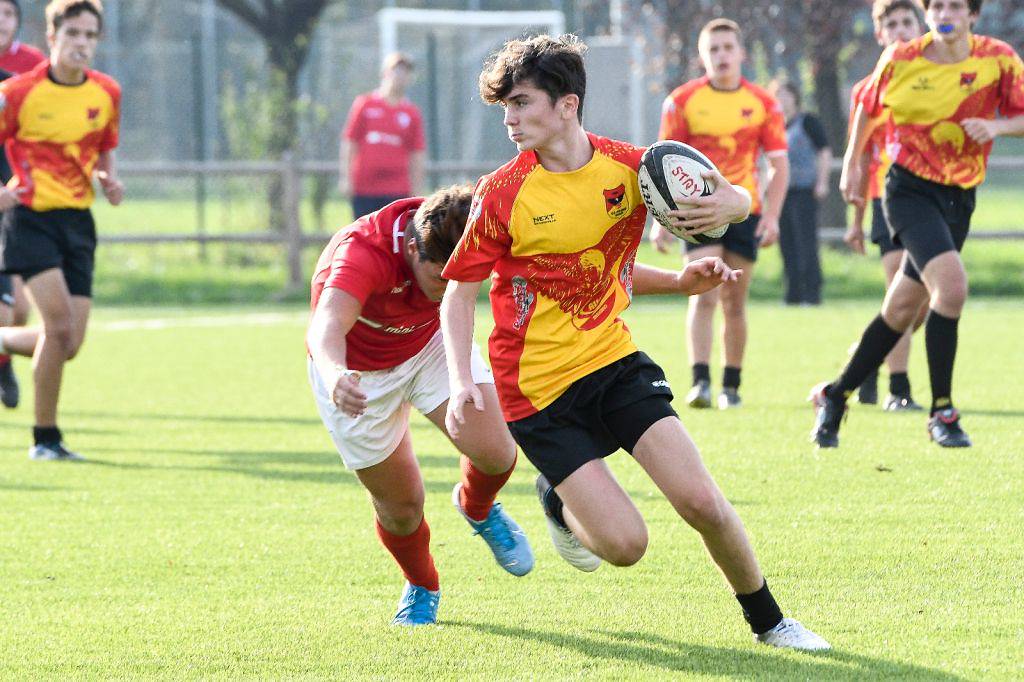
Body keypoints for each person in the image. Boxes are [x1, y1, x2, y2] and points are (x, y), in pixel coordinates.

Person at [441, 34, 829, 650]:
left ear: (567, 104)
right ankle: (558, 500)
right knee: (626, 547)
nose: (510, 120)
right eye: (504, 109)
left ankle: (772, 622)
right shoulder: (502, 192)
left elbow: (729, 202)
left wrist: (697, 255)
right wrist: (463, 380)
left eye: (521, 103)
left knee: (701, 500)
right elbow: (458, 293)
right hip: (535, 391)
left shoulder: (635, 169)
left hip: (613, 360)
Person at [306, 185, 535, 626]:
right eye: (441, 280)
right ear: (412, 249)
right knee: (402, 509)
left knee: (497, 451)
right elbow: (327, 326)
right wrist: (336, 376)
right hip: (356, 376)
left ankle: (477, 507)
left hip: (431, 344)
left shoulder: (471, 223)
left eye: (463, 280)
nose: (453, 290)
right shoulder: (364, 252)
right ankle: (422, 584)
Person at [812, 0, 1024, 449]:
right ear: (929, 14)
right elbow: (867, 107)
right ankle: (942, 412)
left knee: (901, 310)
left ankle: (836, 394)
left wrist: (996, 126)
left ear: (972, 15)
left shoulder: (998, 58)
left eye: (955, 6)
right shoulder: (902, 58)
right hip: (908, 191)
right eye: (937, 5)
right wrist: (853, 161)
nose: (945, 12)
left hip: (959, 197)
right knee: (951, 288)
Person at [0, 0, 123, 460]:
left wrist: (109, 179)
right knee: (56, 325)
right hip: (30, 218)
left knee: (69, 343)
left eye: (90, 36)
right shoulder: (18, 92)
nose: (82, 44)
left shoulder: (107, 92)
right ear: (51, 37)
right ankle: (45, 439)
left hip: (77, 221)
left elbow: (104, 147)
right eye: (73, 34)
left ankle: (3, 340)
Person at [654, 18, 789, 410]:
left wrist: (773, 216)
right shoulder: (681, 101)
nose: (721, 56)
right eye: (713, 49)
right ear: (702, 57)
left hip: (746, 210)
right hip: (698, 211)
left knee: (734, 300)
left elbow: (779, 165)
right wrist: (660, 223)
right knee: (703, 293)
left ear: (741, 53)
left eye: (728, 48)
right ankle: (701, 383)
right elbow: (659, 166)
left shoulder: (764, 103)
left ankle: (731, 385)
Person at [844, 0, 926, 411]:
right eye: (890, 24)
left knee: (921, 300)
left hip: (934, 199)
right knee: (901, 291)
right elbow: (859, 156)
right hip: (886, 197)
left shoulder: (938, 79)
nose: (899, 30)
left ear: (920, 24)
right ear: (879, 34)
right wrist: (856, 220)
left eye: (906, 21)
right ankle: (900, 390)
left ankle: (866, 358)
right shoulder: (869, 89)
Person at [0, 0, 44, 409]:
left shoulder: (30, 68)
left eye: (8, 13)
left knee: (17, 308)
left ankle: (2, 360)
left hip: (13, 197)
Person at [340, 52, 425, 219]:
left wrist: (417, 190)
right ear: (385, 72)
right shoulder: (364, 104)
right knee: (364, 239)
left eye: (405, 71)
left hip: (397, 190)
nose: (400, 75)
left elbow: (417, 154)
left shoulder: (411, 113)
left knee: (394, 240)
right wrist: (346, 178)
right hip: (365, 189)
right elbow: (350, 142)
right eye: (396, 69)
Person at [771, 79, 831, 306]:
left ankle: (812, 294)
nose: (782, 99)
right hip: (782, 193)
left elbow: (824, 152)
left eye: (786, 94)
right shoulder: (775, 125)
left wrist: (822, 182)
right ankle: (792, 294)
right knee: (786, 243)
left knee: (806, 243)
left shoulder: (808, 122)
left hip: (804, 191)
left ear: (795, 96)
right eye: (778, 94)